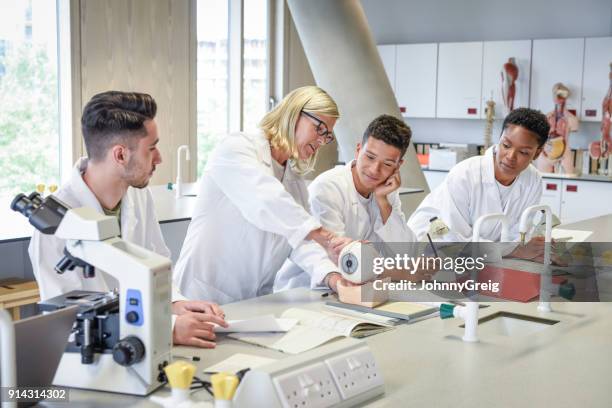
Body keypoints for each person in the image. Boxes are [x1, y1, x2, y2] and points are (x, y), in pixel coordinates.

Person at [29, 91, 227, 348]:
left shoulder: (137, 196)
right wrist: (168, 329)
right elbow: (72, 321)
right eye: (152, 148)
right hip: (92, 359)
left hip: (142, 346)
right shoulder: (56, 224)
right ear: (120, 155)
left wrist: (176, 304)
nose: (159, 158)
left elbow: (157, 262)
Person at [174, 86, 351, 304]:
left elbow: (298, 241)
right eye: (320, 129)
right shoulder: (237, 148)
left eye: (328, 136)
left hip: (253, 300)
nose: (322, 141)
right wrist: (328, 237)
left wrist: (334, 278)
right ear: (294, 114)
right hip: (205, 292)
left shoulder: (293, 178)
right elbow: (267, 202)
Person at [274, 114, 427, 292]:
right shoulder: (328, 188)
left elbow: (406, 254)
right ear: (358, 149)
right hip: (308, 290)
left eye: (387, 164)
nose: (374, 170)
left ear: (398, 165)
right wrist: (403, 274)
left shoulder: (386, 191)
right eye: (370, 157)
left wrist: (383, 202)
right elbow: (342, 260)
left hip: (357, 289)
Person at [408, 107, 553, 263]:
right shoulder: (464, 174)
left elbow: (516, 236)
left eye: (523, 152)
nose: (510, 157)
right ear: (500, 138)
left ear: (537, 153)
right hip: (426, 249)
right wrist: (515, 250)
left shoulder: (533, 181)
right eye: (506, 145)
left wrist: (535, 248)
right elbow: (454, 240)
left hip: (476, 260)